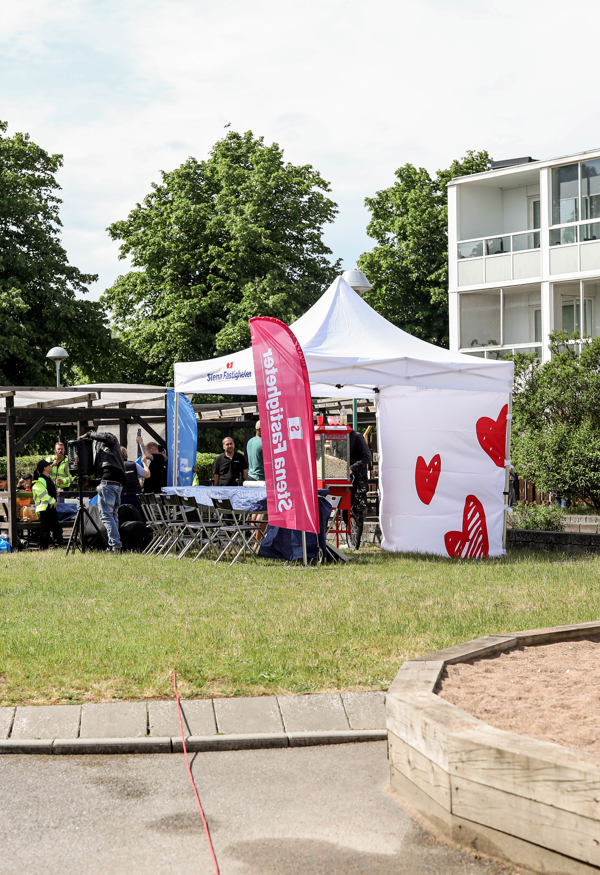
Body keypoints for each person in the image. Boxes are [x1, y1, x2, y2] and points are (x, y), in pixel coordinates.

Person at [82, 430, 126, 553]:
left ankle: (116, 545)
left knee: (106, 515)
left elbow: (108, 437)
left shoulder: (110, 439)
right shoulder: (108, 452)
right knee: (113, 515)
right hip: (116, 484)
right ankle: (114, 545)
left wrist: (89, 434)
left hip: (109, 484)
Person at [345, 429, 372, 550]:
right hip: (344, 480)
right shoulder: (337, 438)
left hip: (359, 480)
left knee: (357, 510)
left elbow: (367, 456)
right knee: (344, 512)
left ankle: (356, 544)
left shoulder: (357, 437)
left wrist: (352, 468)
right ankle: (350, 540)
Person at [32, 459, 64, 549]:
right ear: (45, 468)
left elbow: (48, 491)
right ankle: (44, 547)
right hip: (45, 508)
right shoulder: (41, 479)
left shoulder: (47, 478)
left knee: (56, 528)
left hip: (49, 508)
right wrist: (53, 501)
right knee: (45, 530)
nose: (50, 466)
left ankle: (57, 545)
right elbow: (42, 493)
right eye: (49, 465)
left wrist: (55, 493)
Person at [120, 446, 150, 514]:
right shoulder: (133, 464)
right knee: (138, 516)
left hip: (120, 496)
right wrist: (144, 463)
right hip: (134, 495)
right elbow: (147, 475)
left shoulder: (114, 467)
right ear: (125, 454)